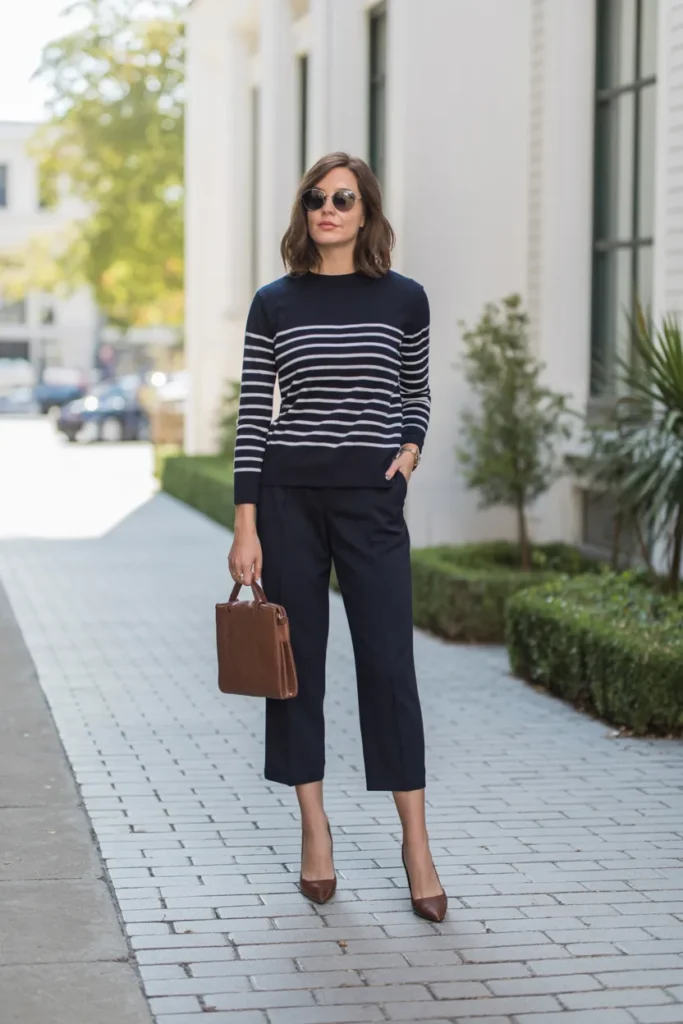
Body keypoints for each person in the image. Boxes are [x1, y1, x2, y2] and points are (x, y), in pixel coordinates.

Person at [228, 152, 446, 922]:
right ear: (305, 211)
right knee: (296, 672)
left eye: (343, 198)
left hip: (371, 504)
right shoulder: (273, 303)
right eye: (316, 197)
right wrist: (245, 522)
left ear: (366, 212)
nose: (328, 207)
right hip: (287, 500)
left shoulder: (404, 299)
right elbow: (256, 410)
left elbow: (415, 386)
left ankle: (414, 844)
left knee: (389, 666)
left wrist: (409, 449)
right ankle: (313, 831)